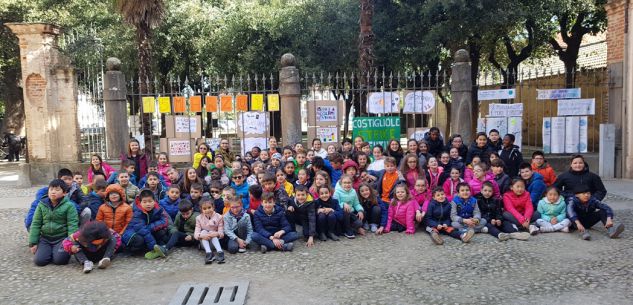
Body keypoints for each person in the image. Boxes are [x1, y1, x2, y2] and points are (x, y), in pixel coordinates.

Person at [28, 179, 79, 266]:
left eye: (57, 190)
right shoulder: (41, 205)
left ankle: (56, 252)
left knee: (60, 261)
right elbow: (36, 223)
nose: (53, 192)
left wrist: (71, 243)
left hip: (61, 238)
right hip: (45, 238)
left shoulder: (69, 206)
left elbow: (72, 225)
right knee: (39, 261)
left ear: (64, 193)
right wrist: (33, 243)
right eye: (51, 189)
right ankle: (48, 251)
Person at [121, 189, 171, 259]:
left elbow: (164, 221)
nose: (148, 204)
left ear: (154, 201)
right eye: (144, 202)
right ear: (140, 202)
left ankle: (161, 248)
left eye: (150, 201)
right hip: (132, 233)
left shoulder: (158, 208)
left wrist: (150, 227)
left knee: (161, 232)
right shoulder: (137, 212)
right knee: (139, 240)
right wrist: (153, 247)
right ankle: (132, 250)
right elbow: (143, 231)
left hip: (146, 230)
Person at [195, 200, 225, 264]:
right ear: (201, 209)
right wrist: (201, 236)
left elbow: (221, 232)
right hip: (205, 243)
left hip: (215, 242)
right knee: (203, 231)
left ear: (213, 207)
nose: (207, 210)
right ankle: (209, 253)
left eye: (209, 207)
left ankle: (220, 252)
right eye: (204, 208)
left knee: (212, 232)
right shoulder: (198, 218)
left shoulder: (219, 217)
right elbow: (196, 233)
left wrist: (217, 233)